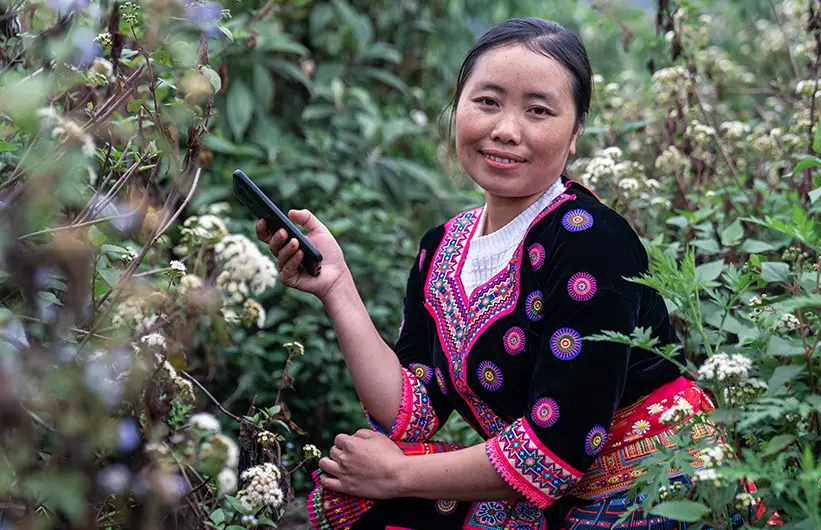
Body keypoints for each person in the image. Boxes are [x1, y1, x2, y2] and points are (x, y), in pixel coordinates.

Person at [257, 17, 724, 530]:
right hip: (547, 492)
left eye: (539, 110)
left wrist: (399, 476)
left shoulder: (590, 240)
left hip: (653, 492)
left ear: (575, 135)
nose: (506, 129)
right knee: (357, 498)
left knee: (388, 493)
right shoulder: (443, 247)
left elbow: (559, 450)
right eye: (487, 101)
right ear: (457, 106)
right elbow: (413, 412)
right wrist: (338, 286)